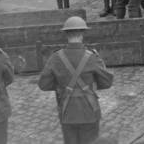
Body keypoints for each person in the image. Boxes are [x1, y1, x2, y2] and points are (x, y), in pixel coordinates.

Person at [38, 16, 114, 144]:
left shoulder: (56, 58)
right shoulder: (92, 57)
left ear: (66, 34)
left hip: (67, 112)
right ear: (82, 34)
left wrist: (61, 85)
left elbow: (43, 84)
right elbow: (107, 82)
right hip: (89, 111)